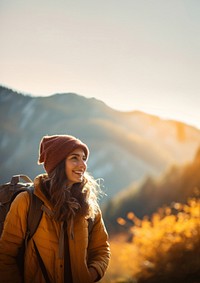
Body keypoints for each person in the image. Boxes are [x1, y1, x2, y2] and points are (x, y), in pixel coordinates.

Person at [0, 134, 111, 283]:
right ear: (58, 163)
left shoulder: (90, 207)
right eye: (74, 158)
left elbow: (101, 249)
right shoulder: (27, 201)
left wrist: (90, 275)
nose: (83, 165)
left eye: (83, 158)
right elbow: (5, 256)